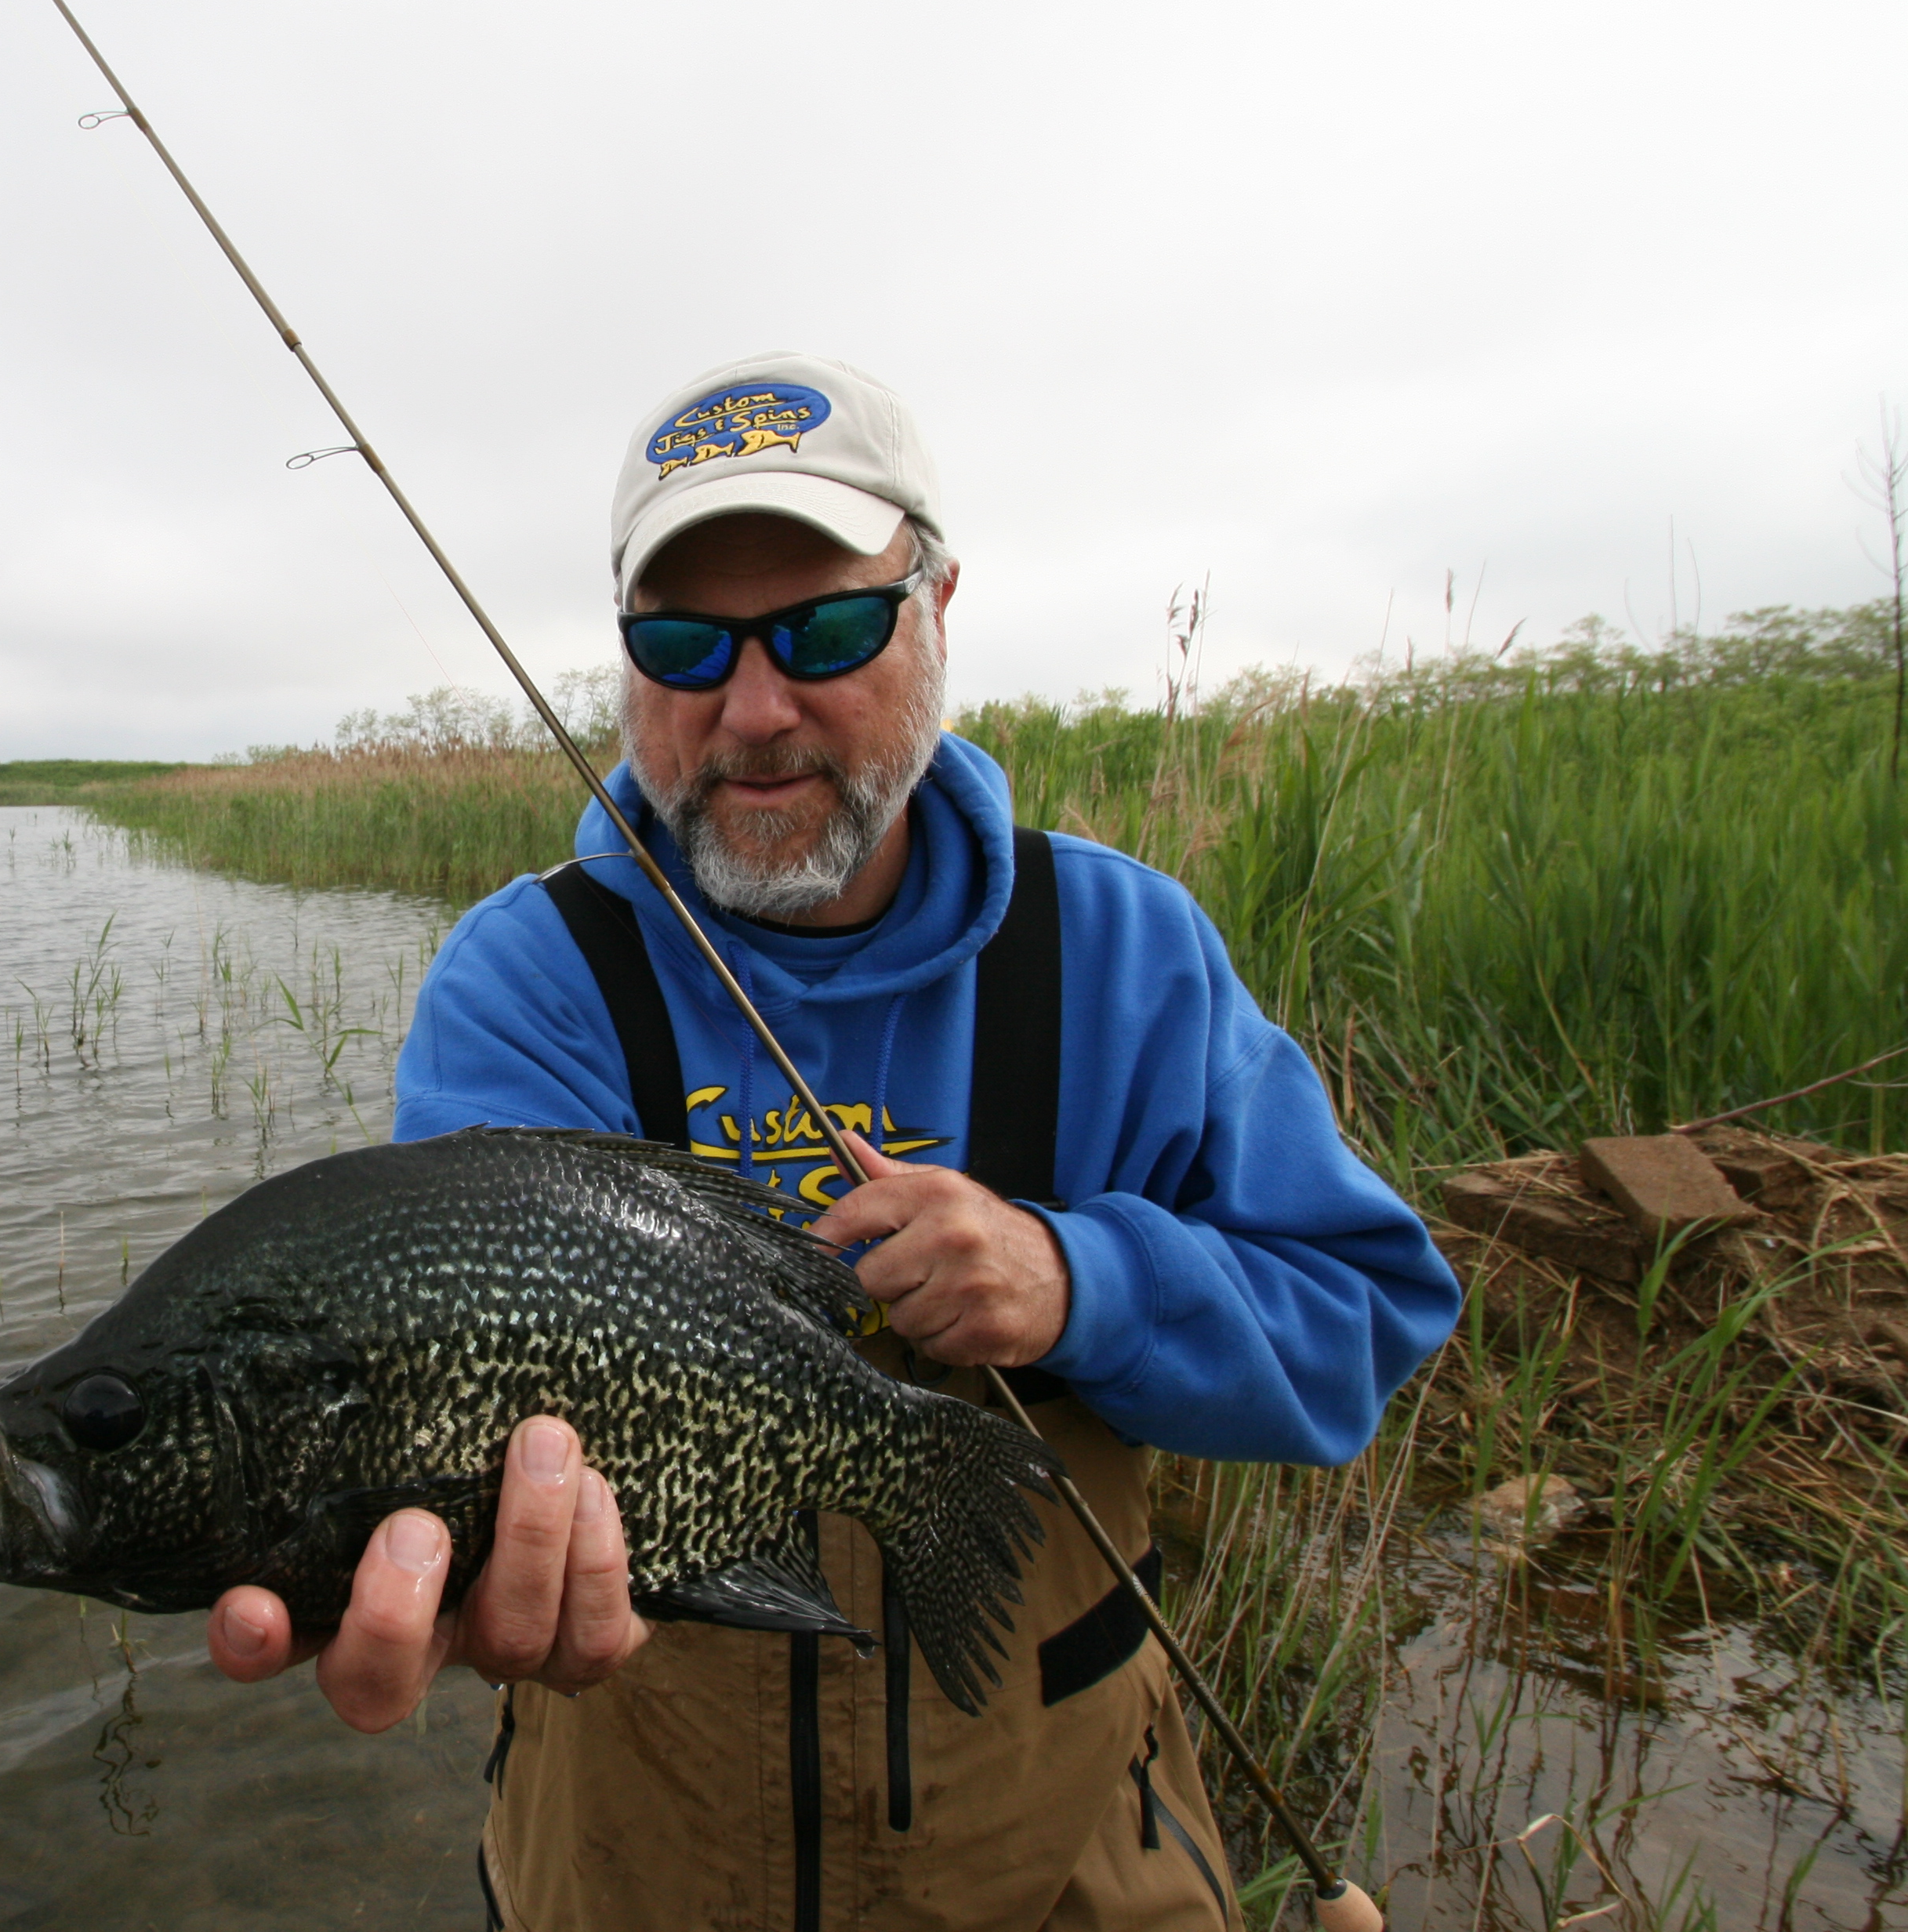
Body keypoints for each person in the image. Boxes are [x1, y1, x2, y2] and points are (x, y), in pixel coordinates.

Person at [206, 352, 1461, 1930]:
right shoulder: (532, 980)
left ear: (938, 609)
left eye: (826, 629)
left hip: (1069, 1852)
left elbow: (1365, 1318)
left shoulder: (1123, 957)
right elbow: (444, 1379)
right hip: (638, 1856)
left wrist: (1078, 1282)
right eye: (682, 643)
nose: (753, 708)